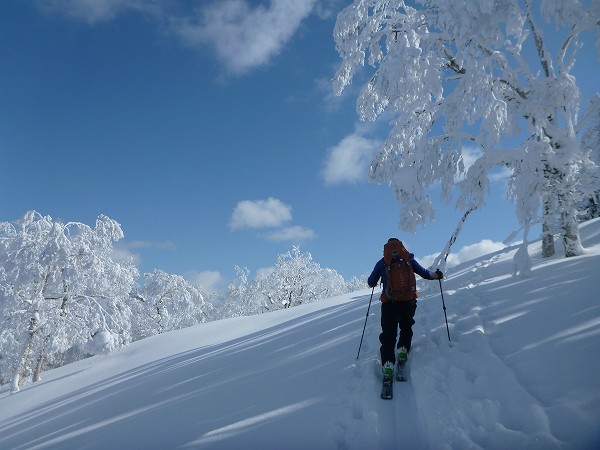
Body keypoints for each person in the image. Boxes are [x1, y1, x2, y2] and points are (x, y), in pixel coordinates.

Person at [368, 238, 443, 379]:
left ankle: (388, 364)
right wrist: (437, 275)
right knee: (406, 326)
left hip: (389, 303)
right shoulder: (409, 260)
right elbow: (425, 273)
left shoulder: (382, 263)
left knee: (388, 335)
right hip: (408, 302)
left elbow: (371, 282)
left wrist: (376, 280)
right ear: (401, 247)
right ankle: (403, 349)